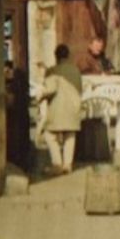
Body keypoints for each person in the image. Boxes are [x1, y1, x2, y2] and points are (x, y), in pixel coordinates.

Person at [36, 44, 83, 175]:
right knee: (70, 136)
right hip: (74, 108)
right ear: (68, 56)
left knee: (50, 135)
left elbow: (51, 89)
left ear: (56, 56)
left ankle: (57, 163)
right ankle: (67, 165)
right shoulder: (75, 70)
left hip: (58, 109)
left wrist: (40, 96)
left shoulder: (53, 71)